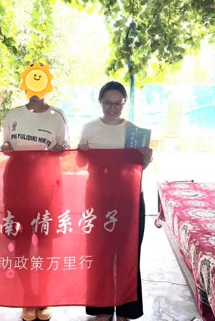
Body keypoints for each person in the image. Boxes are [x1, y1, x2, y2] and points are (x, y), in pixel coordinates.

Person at [78, 81, 153, 321]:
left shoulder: (134, 131)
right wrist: (81, 152)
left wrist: (147, 158)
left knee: (128, 254)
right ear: (100, 102)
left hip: (129, 200)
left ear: (124, 103)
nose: (112, 108)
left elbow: (137, 169)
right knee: (99, 253)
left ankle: (125, 310)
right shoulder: (89, 128)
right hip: (97, 199)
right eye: (108, 103)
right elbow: (80, 163)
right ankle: (101, 309)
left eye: (117, 103)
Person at [1, 91, 70, 321]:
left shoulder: (57, 116)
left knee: (46, 242)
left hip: (47, 183)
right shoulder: (13, 114)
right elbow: (7, 143)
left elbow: (64, 147)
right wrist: (5, 146)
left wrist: (63, 148)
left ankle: (43, 297)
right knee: (21, 242)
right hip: (17, 182)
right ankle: (28, 297)